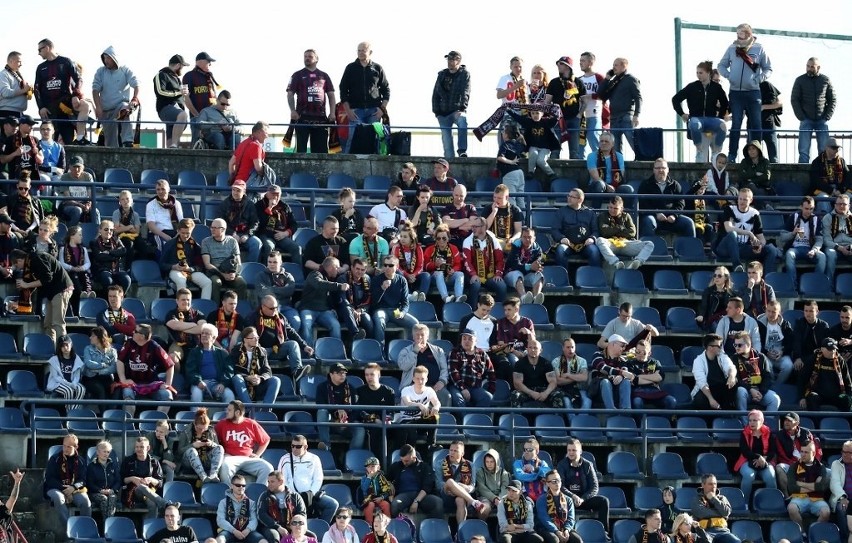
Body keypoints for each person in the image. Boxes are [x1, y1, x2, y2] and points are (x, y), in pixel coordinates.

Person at [717, 23, 772, 162]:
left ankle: (756, 157)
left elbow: (768, 68)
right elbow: (721, 65)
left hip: (753, 92)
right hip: (736, 93)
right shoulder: (732, 48)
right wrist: (729, 76)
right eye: (736, 33)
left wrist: (758, 79)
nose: (737, 36)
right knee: (736, 125)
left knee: (756, 125)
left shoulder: (759, 48)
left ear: (748, 34)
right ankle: (732, 156)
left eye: (740, 33)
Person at [10, 248, 72, 343]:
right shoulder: (29, 264)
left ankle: (62, 351)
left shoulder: (37, 258)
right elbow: (30, 287)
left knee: (57, 323)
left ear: (19, 260)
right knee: (48, 324)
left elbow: (47, 278)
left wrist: (26, 285)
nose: (19, 268)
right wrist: (18, 303)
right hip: (51, 292)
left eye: (17, 265)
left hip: (61, 289)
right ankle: (51, 348)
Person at [34, 39, 89, 146]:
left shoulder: (66, 61)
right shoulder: (40, 68)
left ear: (47, 48)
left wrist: (76, 95)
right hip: (50, 109)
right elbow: (36, 89)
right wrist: (41, 107)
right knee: (50, 142)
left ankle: (80, 137)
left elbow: (78, 79)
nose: (38, 53)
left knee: (85, 106)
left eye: (40, 50)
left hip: (65, 107)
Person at [672, 60, 729, 162]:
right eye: (697, 73)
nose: (698, 75)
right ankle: (699, 150)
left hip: (711, 121)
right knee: (694, 124)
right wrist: (682, 114)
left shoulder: (716, 87)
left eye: (701, 73)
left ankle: (716, 151)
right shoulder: (692, 86)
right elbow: (675, 99)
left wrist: (720, 116)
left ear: (708, 73)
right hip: (697, 120)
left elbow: (725, 103)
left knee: (723, 125)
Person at [339, 41, 390, 154]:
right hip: (355, 111)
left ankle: (375, 166)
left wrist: (382, 109)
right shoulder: (350, 68)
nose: (361, 53)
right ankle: (347, 165)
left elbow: (386, 90)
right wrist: (348, 110)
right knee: (352, 139)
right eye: (359, 50)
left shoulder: (377, 68)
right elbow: (343, 90)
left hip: (374, 111)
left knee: (375, 139)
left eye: (363, 50)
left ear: (370, 52)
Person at [712, 188, 779, 273]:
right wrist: (749, 233)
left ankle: (769, 278)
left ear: (751, 200)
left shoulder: (755, 213)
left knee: (771, 249)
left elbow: (761, 237)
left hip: (743, 247)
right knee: (732, 234)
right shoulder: (729, 209)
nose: (741, 202)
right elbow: (728, 228)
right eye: (740, 199)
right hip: (725, 247)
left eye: (745, 199)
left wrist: (760, 245)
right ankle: (737, 266)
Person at [249, 294, 312, 382]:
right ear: (263, 306)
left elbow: (291, 332)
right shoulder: (253, 317)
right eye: (271, 308)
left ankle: (297, 371)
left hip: (277, 349)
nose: (274, 310)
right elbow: (249, 336)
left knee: (293, 344)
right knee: (259, 350)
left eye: (276, 307)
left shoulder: (280, 317)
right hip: (261, 350)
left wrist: (304, 346)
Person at [278, 434, 339, 524]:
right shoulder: (285, 459)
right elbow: (283, 480)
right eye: (292, 446)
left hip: (311, 495)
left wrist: (311, 493)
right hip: (292, 496)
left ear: (305, 447)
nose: (294, 449)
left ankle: (320, 526)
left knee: (332, 504)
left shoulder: (314, 458)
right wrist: (293, 494)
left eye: (298, 446)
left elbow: (318, 478)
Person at [115, 323, 175, 415]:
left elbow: (170, 365)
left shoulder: (154, 346)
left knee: (167, 395)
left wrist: (168, 384)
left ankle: (157, 425)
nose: (133, 332)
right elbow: (120, 361)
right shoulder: (129, 343)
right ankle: (127, 425)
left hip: (152, 384)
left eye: (135, 331)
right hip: (133, 384)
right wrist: (123, 379)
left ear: (142, 336)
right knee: (127, 395)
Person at [287, 49, 336, 154]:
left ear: (317, 59)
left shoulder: (324, 76)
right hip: (302, 118)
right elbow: (290, 93)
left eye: (310, 56)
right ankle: (300, 170)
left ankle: (321, 170)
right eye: (305, 56)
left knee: (321, 152)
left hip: (320, 119)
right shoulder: (297, 75)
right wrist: (292, 110)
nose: (307, 58)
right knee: (301, 151)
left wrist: (332, 113)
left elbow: (331, 95)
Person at [215, 400, 274, 485]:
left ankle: (258, 494)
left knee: (268, 468)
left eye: (229, 410)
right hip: (230, 458)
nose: (226, 412)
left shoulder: (251, 423)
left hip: (248, 458)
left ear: (238, 412)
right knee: (225, 467)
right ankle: (229, 495)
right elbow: (214, 440)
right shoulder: (222, 424)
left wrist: (257, 454)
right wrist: (223, 453)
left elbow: (265, 440)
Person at [92, 46, 139, 148]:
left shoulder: (125, 70)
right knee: (110, 144)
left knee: (126, 109)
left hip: (120, 106)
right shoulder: (100, 71)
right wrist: (98, 107)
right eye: (104, 58)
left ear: (114, 58)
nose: (106, 60)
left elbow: (136, 84)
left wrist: (135, 98)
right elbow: (95, 89)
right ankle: (113, 157)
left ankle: (128, 142)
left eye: (108, 58)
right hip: (106, 110)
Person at [555, 438, 609, 528]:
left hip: (584, 499)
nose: (571, 453)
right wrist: (573, 496)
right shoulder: (562, 465)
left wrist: (583, 498)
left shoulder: (588, 465)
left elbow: (594, 487)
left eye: (574, 450)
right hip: (568, 500)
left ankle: (604, 532)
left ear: (580, 451)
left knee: (604, 501)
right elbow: (560, 486)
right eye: (569, 450)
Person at [792, 57, 835, 164]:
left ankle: (823, 173)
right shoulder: (800, 80)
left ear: (818, 67)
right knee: (803, 151)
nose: (809, 68)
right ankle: (803, 176)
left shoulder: (825, 80)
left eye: (812, 67)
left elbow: (832, 99)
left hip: (821, 120)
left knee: (824, 150)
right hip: (806, 119)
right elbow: (794, 99)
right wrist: (801, 117)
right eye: (808, 66)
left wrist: (827, 116)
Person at [638, 159, 696, 238]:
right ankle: (648, 249)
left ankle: (689, 250)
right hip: (654, 217)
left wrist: (674, 215)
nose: (660, 170)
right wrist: (656, 213)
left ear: (668, 170)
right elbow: (642, 203)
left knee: (689, 223)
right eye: (658, 168)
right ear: (653, 170)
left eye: (663, 168)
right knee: (648, 221)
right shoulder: (646, 184)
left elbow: (681, 203)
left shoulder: (675, 185)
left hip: (672, 218)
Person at [315, 363, 366, 451]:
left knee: (360, 429)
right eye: (339, 373)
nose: (342, 375)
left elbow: (356, 410)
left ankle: (353, 456)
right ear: (331, 374)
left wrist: (346, 421)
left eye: (344, 373)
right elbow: (320, 405)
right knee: (322, 411)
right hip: (330, 422)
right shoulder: (322, 387)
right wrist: (337, 409)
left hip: (347, 423)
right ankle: (325, 445)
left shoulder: (351, 388)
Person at [230, 326, 281, 412]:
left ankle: (266, 411)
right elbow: (233, 370)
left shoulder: (262, 351)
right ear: (245, 339)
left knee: (275, 380)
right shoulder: (236, 350)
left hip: (258, 383)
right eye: (253, 338)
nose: (256, 340)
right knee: (237, 378)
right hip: (244, 383)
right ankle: (250, 409)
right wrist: (247, 377)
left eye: (257, 337)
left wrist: (260, 378)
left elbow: (267, 371)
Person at [299, 256, 348, 346]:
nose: (338, 270)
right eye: (337, 267)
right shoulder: (314, 274)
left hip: (324, 311)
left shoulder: (330, 278)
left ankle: (336, 352)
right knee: (306, 325)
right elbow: (319, 284)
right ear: (330, 267)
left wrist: (332, 308)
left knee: (335, 325)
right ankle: (309, 353)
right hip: (308, 309)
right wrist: (339, 286)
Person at [595, 195, 654, 269]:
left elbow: (632, 232)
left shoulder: (626, 216)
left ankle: (637, 262)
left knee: (649, 244)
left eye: (616, 208)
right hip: (611, 244)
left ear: (621, 208)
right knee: (599, 240)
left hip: (626, 243)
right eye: (610, 207)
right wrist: (621, 228)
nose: (612, 210)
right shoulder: (602, 216)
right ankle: (616, 262)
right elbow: (605, 232)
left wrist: (612, 229)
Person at [371, 255, 419, 344]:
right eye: (385, 265)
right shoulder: (376, 279)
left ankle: (410, 349)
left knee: (415, 323)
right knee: (379, 321)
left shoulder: (402, 280)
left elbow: (405, 302)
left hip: (395, 310)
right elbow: (373, 302)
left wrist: (402, 313)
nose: (387, 267)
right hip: (381, 309)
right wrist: (382, 289)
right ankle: (380, 351)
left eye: (390, 265)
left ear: (397, 267)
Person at [730, 332, 780, 417]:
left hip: (760, 391)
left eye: (740, 345)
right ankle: (745, 425)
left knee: (775, 398)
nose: (737, 348)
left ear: (749, 345)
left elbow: (768, 377)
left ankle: (766, 427)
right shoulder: (733, 358)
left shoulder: (761, 357)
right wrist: (750, 389)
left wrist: (761, 392)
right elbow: (736, 380)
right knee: (740, 391)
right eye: (735, 345)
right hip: (745, 392)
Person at [398, 324, 450, 406]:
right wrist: (415, 351)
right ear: (413, 337)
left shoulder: (438, 351)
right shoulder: (406, 351)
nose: (420, 337)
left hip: (435, 386)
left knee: (446, 396)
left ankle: (444, 418)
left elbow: (444, 369)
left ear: (427, 336)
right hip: (414, 386)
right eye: (417, 335)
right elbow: (404, 366)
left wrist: (442, 381)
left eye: (422, 335)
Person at [386, 443, 443, 518]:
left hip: (421, 495)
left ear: (414, 457)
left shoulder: (424, 467)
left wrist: (416, 501)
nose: (404, 463)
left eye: (407, 461)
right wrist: (389, 485)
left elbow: (427, 486)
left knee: (438, 502)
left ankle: (430, 526)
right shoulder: (397, 466)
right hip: (403, 495)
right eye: (402, 460)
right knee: (395, 504)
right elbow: (385, 479)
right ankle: (398, 526)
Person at [44, 434, 91, 523]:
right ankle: (68, 527)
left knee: (85, 502)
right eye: (64, 446)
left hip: (74, 489)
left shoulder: (81, 461)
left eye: (69, 447)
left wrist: (73, 487)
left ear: (76, 447)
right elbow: (49, 478)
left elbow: (83, 480)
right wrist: (65, 489)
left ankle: (85, 527)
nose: (65, 449)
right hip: (55, 488)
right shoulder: (55, 459)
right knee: (59, 498)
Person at [186, 322, 236, 405]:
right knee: (196, 394)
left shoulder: (222, 353)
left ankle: (227, 418)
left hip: (217, 384)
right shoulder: (194, 352)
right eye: (202, 333)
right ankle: (196, 417)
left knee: (229, 395)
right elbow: (190, 370)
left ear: (213, 338)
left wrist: (223, 383)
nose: (204, 335)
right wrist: (198, 381)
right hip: (198, 383)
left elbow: (229, 371)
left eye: (207, 333)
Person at [598, 58, 641, 154]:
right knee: (615, 148)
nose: (613, 67)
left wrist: (636, 115)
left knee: (633, 142)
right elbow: (601, 94)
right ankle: (618, 166)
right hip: (614, 117)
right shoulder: (614, 82)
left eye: (616, 65)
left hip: (626, 115)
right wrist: (607, 79)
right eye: (613, 65)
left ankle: (642, 159)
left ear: (623, 66)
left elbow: (638, 98)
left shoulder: (631, 79)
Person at [355, 363, 397, 462]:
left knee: (401, 431)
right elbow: (359, 411)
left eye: (372, 374)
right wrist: (375, 419)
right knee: (376, 431)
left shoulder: (389, 391)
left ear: (378, 375)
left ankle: (394, 462)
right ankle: (378, 463)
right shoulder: (359, 391)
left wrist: (387, 419)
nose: (369, 377)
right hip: (368, 423)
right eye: (366, 375)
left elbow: (391, 411)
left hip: (385, 423)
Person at [505, 107, 560, 182]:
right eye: (533, 113)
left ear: (542, 114)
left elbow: (556, 118)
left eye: (537, 113)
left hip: (545, 148)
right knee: (533, 154)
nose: (535, 115)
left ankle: (551, 174)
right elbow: (518, 117)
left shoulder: (547, 122)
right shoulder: (528, 122)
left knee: (540, 161)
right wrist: (508, 110)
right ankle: (531, 172)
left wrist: (557, 109)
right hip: (533, 146)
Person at [438, 441, 488, 523]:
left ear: (462, 453)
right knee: (450, 481)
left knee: (460, 500)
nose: (452, 453)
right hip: (447, 495)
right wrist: (453, 487)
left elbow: (472, 486)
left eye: (455, 451)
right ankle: (474, 502)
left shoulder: (470, 465)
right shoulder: (440, 463)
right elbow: (439, 484)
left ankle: (460, 531)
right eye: (451, 450)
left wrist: (464, 487)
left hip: (464, 496)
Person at [433, 50, 470, 159]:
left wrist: (462, 108)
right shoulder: (442, 75)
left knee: (463, 122)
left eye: (453, 59)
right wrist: (436, 112)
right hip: (443, 113)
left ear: (458, 61)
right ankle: (450, 162)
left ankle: (462, 151)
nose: (450, 62)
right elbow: (435, 93)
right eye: (449, 59)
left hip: (457, 110)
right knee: (447, 144)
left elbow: (465, 91)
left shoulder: (464, 74)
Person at [394, 365, 440, 452]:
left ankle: (431, 444)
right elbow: (407, 402)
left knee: (434, 416)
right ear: (413, 379)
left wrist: (436, 407)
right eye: (417, 378)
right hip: (406, 420)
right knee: (412, 433)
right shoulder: (406, 390)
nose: (420, 381)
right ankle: (411, 453)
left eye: (422, 378)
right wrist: (419, 405)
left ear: (426, 379)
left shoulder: (429, 390)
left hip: (420, 420)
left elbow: (437, 402)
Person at [202, 218, 249, 302]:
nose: (212, 229)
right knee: (216, 282)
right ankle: (215, 308)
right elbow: (207, 264)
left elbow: (238, 262)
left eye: (215, 228)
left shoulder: (232, 241)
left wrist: (234, 273)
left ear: (223, 229)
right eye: (211, 227)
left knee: (242, 283)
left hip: (230, 271)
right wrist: (222, 274)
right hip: (215, 272)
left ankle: (241, 310)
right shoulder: (206, 242)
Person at [121, 436, 168, 519]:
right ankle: (166, 504)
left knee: (152, 504)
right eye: (137, 447)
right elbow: (122, 479)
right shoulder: (128, 461)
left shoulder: (154, 462)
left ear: (148, 448)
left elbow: (160, 483)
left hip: (149, 492)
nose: (138, 449)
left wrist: (151, 479)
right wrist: (132, 478)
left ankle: (149, 529)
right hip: (132, 493)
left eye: (141, 447)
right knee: (141, 487)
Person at [448, 328, 496, 408]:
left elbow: (491, 372)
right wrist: (462, 388)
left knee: (487, 397)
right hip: (457, 386)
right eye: (464, 338)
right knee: (458, 399)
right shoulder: (454, 353)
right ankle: (466, 419)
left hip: (475, 388)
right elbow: (453, 372)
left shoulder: (482, 354)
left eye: (470, 339)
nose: (466, 341)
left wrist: (491, 390)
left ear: (476, 341)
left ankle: (477, 419)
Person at [491, 297, 536, 381]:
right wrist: (515, 352)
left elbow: (533, 343)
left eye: (509, 310)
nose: (506, 312)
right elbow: (501, 343)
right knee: (513, 362)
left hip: (526, 351)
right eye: (505, 310)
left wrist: (529, 333)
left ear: (516, 309)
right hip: (510, 351)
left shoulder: (527, 322)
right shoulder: (501, 322)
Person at [801, 337, 852, 412]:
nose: (832, 352)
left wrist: (850, 395)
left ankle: (846, 423)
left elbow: (847, 381)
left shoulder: (840, 360)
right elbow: (803, 378)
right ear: (822, 349)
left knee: (846, 400)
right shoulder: (814, 359)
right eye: (830, 349)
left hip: (836, 395)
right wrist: (802, 397)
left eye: (834, 349)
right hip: (818, 394)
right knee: (812, 397)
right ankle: (816, 423)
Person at [463, 216, 507, 302]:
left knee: (501, 286)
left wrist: (498, 274)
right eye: (472, 226)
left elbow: (500, 259)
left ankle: (499, 312)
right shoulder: (467, 241)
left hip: (490, 275)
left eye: (476, 227)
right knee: (475, 285)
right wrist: (473, 274)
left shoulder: (493, 240)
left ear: (483, 227)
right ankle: (473, 311)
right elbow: (467, 262)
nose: (473, 229)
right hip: (474, 275)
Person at [786, 440, 830, 523]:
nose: (802, 455)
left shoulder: (821, 467)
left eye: (806, 452)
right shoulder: (794, 466)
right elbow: (792, 488)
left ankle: (814, 532)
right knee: (792, 509)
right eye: (801, 452)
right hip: (798, 497)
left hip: (817, 499)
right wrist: (815, 486)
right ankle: (802, 533)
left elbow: (822, 487)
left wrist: (801, 484)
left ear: (813, 453)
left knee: (826, 512)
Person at [257, 470, 307, 543]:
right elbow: (262, 515)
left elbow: (302, 514)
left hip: (292, 526)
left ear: (281, 482)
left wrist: (294, 527)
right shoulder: (265, 496)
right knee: (274, 536)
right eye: (268, 482)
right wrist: (278, 527)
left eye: (272, 482)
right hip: (271, 527)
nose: (269, 484)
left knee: (311, 536)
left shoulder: (295, 496)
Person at [177, 407, 224, 484]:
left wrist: (211, 444)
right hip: (189, 462)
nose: (202, 431)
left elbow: (218, 449)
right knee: (191, 450)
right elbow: (179, 452)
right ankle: (203, 477)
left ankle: (213, 474)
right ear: (194, 424)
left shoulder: (211, 430)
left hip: (206, 459)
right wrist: (193, 445)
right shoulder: (186, 431)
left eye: (204, 429)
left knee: (220, 448)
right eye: (199, 428)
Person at [255, 184, 301, 264]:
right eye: (273, 194)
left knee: (296, 248)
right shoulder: (259, 205)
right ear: (267, 194)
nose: (275, 197)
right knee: (269, 247)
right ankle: (267, 272)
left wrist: (286, 233)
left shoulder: (285, 207)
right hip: (266, 234)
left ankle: (298, 273)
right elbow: (258, 224)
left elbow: (294, 224)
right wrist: (269, 208)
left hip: (281, 235)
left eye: (277, 194)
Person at [216, 474, 268, 543]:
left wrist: (247, 530)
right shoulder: (223, 502)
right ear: (232, 486)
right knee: (219, 540)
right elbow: (220, 520)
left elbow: (254, 520)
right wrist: (234, 531)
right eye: (238, 485)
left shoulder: (251, 503)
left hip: (246, 531)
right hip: (229, 531)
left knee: (263, 541)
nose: (241, 487)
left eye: (243, 485)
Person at [556, 188, 601, 268]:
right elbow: (555, 230)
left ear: (580, 200)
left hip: (585, 245)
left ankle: (594, 278)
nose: (568, 198)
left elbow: (596, 231)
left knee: (594, 251)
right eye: (568, 196)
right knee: (560, 250)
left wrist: (592, 238)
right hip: (568, 244)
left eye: (572, 197)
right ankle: (562, 278)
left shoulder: (590, 213)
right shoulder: (561, 212)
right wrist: (561, 238)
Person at [219, 179, 261, 264]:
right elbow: (221, 221)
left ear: (244, 191)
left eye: (238, 190)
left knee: (257, 243)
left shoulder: (250, 204)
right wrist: (232, 233)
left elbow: (255, 223)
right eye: (233, 190)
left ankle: (249, 267)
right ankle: (229, 268)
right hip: (229, 234)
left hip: (245, 234)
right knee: (227, 242)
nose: (235, 192)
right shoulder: (225, 204)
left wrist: (247, 235)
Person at [512, 339, 563, 409]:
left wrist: (546, 393)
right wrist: (531, 393)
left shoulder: (546, 363)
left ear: (540, 350)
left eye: (535, 348)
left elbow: (553, 382)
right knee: (515, 395)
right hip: (526, 390)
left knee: (558, 395)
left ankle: (555, 418)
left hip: (543, 390)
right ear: (527, 349)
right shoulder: (519, 364)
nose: (532, 350)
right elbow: (517, 384)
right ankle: (517, 419)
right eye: (530, 347)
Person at [182, 52, 220, 145]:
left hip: (212, 118)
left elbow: (214, 97)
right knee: (196, 141)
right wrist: (197, 115)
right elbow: (186, 98)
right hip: (196, 117)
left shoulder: (209, 77)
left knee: (215, 141)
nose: (210, 64)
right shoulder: (189, 76)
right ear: (200, 61)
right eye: (208, 62)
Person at [690, 474, 740, 543]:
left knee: (736, 541)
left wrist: (714, 499)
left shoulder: (722, 498)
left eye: (715, 484)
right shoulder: (697, 499)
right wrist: (719, 513)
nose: (713, 486)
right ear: (703, 485)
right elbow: (701, 513)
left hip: (723, 531)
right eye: (710, 484)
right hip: (706, 531)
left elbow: (726, 512)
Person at [589, 334, 634, 410]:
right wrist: (621, 373)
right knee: (605, 382)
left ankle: (626, 410)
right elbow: (602, 367)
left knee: (626, 381)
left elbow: (625, 371)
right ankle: (611, 410)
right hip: (599, 391)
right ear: (613, 344)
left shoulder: (622, 360)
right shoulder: (598, 355)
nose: (623, 349)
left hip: (615, 390)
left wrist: (621, 376)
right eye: (622, 346)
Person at [630, 339, 677, 411]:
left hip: (654, 391)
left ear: (649, 353)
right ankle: (639, 422)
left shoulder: (654, 362)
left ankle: (665, 421)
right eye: (638, 351)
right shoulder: (630, 363)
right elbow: (634, 380)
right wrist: (652, 379)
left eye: (644, 352)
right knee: (637, 402)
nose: (640, 354)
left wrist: (639, 376)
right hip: (638, 391)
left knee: (671, 401)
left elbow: (659, 377)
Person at [154, 54, 189, 148]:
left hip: (176, 110)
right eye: (182, 67)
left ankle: (171, 149)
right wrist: (178, 92)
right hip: (165, 108)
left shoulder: (177, 79)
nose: (182, 69)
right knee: (183, 115)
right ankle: (174, 145)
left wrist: (184, 94)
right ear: (178, 65)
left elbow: (180, 95)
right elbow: (160, 92)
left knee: (170, 139)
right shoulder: (161, 75)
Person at [535, 470, 581, 543]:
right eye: (554, 481)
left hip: (564, 527)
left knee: (577, 540)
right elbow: (544, 519)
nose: (557, 483)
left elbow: (571, 518)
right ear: (547, 483)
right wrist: (556, 531)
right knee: (555, 540)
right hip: (546, 528)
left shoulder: (568, 499)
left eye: (558, 480)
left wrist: (566, 530)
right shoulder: (541, 499)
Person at [423, 223, 464, 303]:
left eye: (444, 238)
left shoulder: (454, 249)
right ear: (435, 239)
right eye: (438, 238)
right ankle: (446, 298)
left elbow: (458, 264)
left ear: (448, 238)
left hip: (449, 276)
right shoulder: (430, 249)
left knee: (460, 274)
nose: (441, 240)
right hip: (435, 277)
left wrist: (453, 270)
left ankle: (459, 297)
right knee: (439, 273)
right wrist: (435, 265)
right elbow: (425, 266)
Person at [757, 300, 795, 386]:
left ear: (779, 312)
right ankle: (770, 385)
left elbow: (791, 342)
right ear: (765, 311)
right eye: (768, 311)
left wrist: (783, 352)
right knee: (767, 366)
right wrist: (766, 352)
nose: (770, 314)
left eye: (773, 312)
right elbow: (756, 342)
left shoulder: (785, 325)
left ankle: (777, 386)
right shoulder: (759, 324)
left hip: (781, 354)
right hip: (766, 354)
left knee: (788, 366)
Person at [256, 251, 299, 325]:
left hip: (286, 306)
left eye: (275, 262)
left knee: (296, 322)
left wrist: (271, 289)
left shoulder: (288, 276)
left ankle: (286, 337)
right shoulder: (261, 276)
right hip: (269, 307)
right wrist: (282, 290)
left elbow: (289, 291)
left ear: (281, 262)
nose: (272, 264)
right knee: (274, 324)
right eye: (269, 262)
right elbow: (262, 292)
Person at [229, 121, 277, 187]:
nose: (267, 136)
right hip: (248, 184)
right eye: (266, 133)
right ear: (259, 132)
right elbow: (258, 167)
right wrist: (265, 175)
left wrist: (233, 176)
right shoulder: (256, 145)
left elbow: (231, 163)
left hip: (237, 183)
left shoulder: (243, 143)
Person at [505, 227, 545, 305]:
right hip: (511, 275)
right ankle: (524, 298)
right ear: (521, 238)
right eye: (524, 237)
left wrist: (538, 267)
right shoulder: (515, 247)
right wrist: (530, 267)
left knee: (539, 276)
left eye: (529, 237)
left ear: (534, 238)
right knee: (518, 274)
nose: (527, 240)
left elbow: (537, 264)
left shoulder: (537, 249)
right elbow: (515, 265)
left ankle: (536, 298)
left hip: (526, 276)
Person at [89, 219, 131, 292]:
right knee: (108, 280)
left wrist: (109, 252)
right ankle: (109, 299)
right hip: (102, 269)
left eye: (111, 230)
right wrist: (116, 255)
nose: (109, 232)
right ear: (100, 230)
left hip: (117, 269)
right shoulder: (94, 242)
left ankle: (120, 298)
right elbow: (99, 257)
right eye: (106, 229)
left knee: (127, 279)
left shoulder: (116, 239)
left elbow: (123, 251)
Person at [46, 334, 86, 410]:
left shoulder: (76, 358)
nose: (65, 348)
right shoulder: (54, 360)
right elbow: (56, 377)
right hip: (57, 383)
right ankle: (68, 412)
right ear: (59, 347)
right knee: (68, 390)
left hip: (72, 382)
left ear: (71, 345)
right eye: (62, 346)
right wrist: (69, 384)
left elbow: (77, 376)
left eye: (67, 345)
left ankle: (74, 410)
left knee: (81, 389)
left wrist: (73, 383)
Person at [811, 138, 850, 215]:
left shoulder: (841, 161)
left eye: (838, 148)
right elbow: (816, 181)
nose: (836, 150)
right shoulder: (817, 161)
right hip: (823, 189)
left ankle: (847, 221)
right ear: (826, 148)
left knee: (849, 196)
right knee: (823, 198)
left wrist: (840, 190)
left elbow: (847, 177)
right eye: (834, 148)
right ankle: (827, 221)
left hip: (839, 189)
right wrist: (831, 191)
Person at [792, 300, 830, 378]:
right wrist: (797, 357)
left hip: (818, 356)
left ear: (817, 312)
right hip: (803, 356)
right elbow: (796, 342)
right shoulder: (799, 323)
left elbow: (825, 345)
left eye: (811, 311)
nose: (808, 314)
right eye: (806, 311)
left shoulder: (823, 325)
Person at [146, 179, 184, 255]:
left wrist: (176, 236)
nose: (160, 192)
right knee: (161, 245)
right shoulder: (151, 204)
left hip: (175, 232)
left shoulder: (176, 204)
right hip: (158, 233)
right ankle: (162, 266)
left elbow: (181, 223)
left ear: (168, 189)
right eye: (158, 189)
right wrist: (166, 237)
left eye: (163, 189)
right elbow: (151, 226)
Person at [58, 154, 98, 226]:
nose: (76, 170)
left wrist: (88, 204)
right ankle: (71, 232)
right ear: (70, 167)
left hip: (85, 204)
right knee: (77, 210)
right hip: (69, 205)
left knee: (95, 211)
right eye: (74, 167)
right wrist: (81, 206)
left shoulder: (88, 176)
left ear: (83, 167)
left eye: (78, 167)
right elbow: (67, 198)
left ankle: (98, 232)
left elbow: (90, 195)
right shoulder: (65, 177)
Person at [59, 225, 94, 307]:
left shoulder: (83, 249)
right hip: (70, 272)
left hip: (81, 271)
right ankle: (80, 293)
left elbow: (88, 263)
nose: (81, 237)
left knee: (85, 277)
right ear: (72, 236)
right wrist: (72, 268)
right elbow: (61, 262)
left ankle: (88, 292)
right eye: (79, 235)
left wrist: (82, 267)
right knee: (75, 282)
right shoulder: (63, 249)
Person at [392, 224, 429, 301]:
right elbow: (396, 266)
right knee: (398, 273)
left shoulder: (418, 248)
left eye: (405, 237)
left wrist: (413, 275)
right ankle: (409, 297)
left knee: (426, 275)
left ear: (411, 238)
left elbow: (420, 266)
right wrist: (407, 275)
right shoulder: (396, 248)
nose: (402, 239)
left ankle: (421, 297)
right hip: (403, 274)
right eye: (401, 236)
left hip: (414, 275)